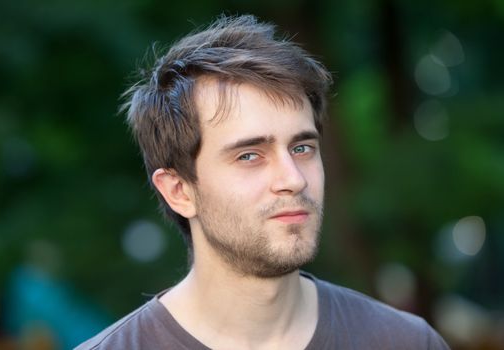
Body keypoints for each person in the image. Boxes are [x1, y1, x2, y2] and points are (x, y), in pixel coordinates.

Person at [76, 14, 450, 350]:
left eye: (302, 148)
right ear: (179, 191)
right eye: (250, 156)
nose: (293, 179)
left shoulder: (406, 342)